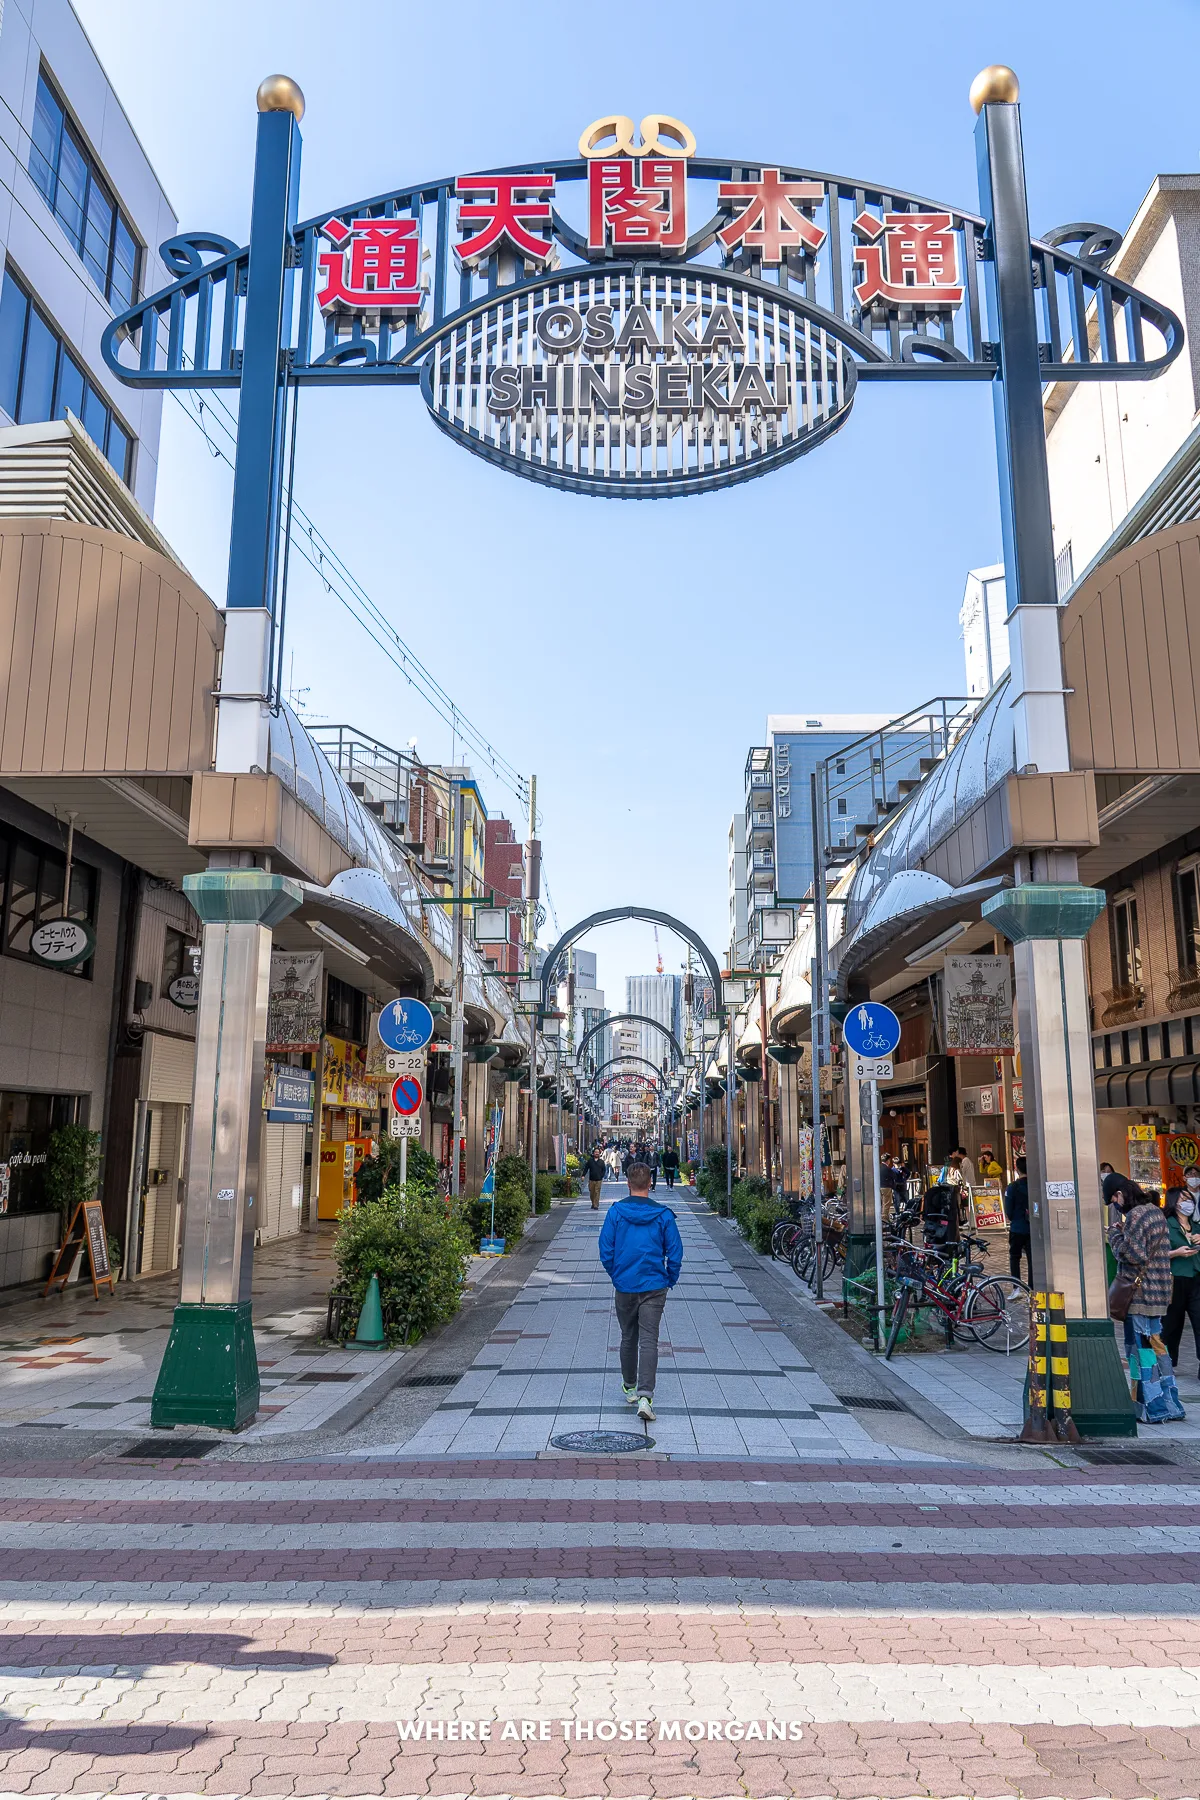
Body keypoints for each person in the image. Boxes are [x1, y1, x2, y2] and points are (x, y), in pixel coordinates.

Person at [598, 1159, 682, 1424]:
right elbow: (676, 1252)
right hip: (655, 1285)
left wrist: (616, 1274)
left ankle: (629, 1386)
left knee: (628, 1336)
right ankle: (646, 1395)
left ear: (628, 1183)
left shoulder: (615, 1213)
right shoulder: (664, 1215)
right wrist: (670, 1277)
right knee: (649, 1339)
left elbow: (605, 1250)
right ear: (649, 1183)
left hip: (625, 1284)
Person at [1107, 1178, 1185, 1423]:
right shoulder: (1155, 1211)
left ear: (1120, 1194)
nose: (1115, 1204)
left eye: (1113, 1199)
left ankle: (1152, 1407)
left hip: (1141, 1294)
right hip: (1159, 1291)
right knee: (1157, 1347)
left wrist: (1115, 1237)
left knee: (1140, 1350)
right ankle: (1171, 1403)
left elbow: (1134, 1255)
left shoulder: (1136, 1215)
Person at [1164, 1185, 1200, 1374]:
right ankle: (1168, 1364)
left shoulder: (1197, 1226)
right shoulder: (1166, 1224)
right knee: (1171, 1325)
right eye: (1183, 1198)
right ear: (1174, 1201)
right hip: (1174, 1280)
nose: (1188, 1202)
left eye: (1190, 1198)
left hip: (1196, 1278)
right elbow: (1157, 1253)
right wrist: (1176, 1253)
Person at [1003, 1155, 1031, 1283]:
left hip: (1017, 1227)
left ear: (1017, 1169)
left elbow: (1009, 1210)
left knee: (1014, 1257)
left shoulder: (1012, 1187)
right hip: (1033, 1228)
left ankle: (1017, 1286)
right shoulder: (1035, 1186)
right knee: (1033, 1259)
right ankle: (1032, 1287)